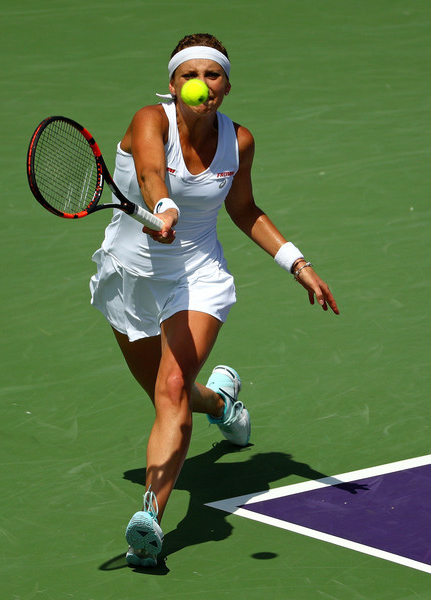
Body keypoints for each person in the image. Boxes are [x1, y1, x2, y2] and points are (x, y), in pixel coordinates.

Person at [89, 33, 339, 568]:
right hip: (129, 277)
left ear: (227, 83)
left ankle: (148, 523)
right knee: (170, 397)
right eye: (189, 74)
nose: (201, 84)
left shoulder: (239, 140)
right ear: (173, 84)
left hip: (197, 276)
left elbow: (245, 208)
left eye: (214, 73)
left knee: (171, 387)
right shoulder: (148, 121)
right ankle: (222, 403)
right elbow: (154, 170)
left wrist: (297, 262)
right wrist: (161, 204)